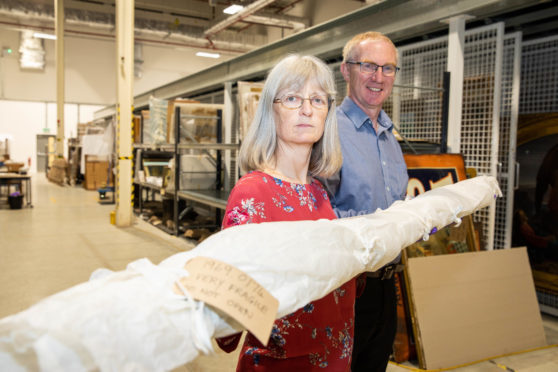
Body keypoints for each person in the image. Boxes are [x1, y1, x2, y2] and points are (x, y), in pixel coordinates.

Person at [216, 54, 356, 371]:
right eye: (292, 98)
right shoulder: (253, 194)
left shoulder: (319, 192)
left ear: (327, 113)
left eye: (317, 100)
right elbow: (228, 317)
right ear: (271, 110)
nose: (307, 109)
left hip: (335, 360)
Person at [320, 32, 409, 372]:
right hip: (345, 288)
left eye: (388, 68)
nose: (379, 77)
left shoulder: (389, 136)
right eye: (368, 66)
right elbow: (317, 214)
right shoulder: (328, 131)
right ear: (346, 70)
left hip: (387, 284)